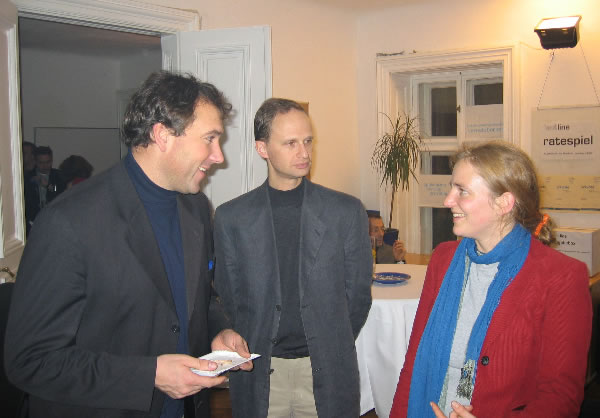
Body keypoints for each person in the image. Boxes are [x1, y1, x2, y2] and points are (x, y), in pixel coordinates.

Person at [5, 71, 252, 418]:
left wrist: (218, 330)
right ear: (162, 135)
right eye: (209, 139)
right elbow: (31, 360)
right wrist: (149, 375)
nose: (218, 156)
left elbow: (195, 298)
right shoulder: (68, 222)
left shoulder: (195, 207)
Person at [390, 141, 592, 418]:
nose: (448, 201)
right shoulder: (443, 259)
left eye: (462, 191)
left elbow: (561, 397)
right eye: (451, 189)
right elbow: (414, 360)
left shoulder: (560, 277)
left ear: (503, 203)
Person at [213, 98, 373, 417]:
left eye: (308, 141)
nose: (304, 153)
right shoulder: (232, 217)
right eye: (290, 143)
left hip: (326, 370)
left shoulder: (345, 212)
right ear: (262, 148)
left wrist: (330, 341)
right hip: (260, 370)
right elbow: (228, 296)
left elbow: (357, 296)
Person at [24, 145, 66, 233]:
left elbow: (61, 193)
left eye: (48, 162)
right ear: (35, 161)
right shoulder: (27, 177)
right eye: (41, 162)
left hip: (54, 219)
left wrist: (48, 186)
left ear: (52, 160)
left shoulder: (58, 175)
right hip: (33, 221)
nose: (45, 166)